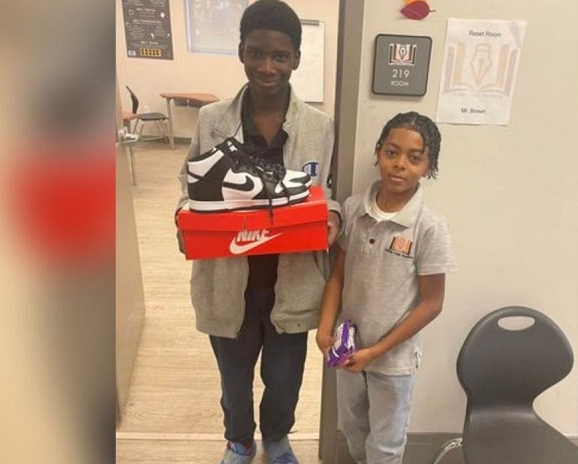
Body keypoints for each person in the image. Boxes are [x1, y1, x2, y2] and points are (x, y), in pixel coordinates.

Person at [175, 1, 341, 463]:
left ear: (296, 59)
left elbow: (328, 195)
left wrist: (331, 218)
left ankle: (278, 438)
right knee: (234, 377)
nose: (267, 66)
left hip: (291, 279)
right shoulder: (212, 121)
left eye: (280, 56)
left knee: (285, 378)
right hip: (229, 277)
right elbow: (190, 186)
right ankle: (239, 440)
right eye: (257, 53)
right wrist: (183, 218)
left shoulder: (320, 128)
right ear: (241, 52)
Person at [316, 111, 457, 464]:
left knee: (386, 444)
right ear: (378, 153)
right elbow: (338, 275)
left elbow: (432, 303)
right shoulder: (353, 209)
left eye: (414, 158)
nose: (400, 165)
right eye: (392, 152)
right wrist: (325, 326)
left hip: (393, 361)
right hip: (348, 350)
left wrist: (377, 351)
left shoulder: (429, 227)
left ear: (428, 166)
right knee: (353, 428)